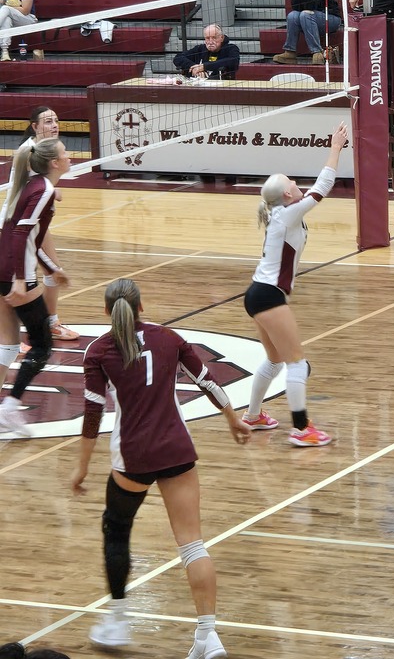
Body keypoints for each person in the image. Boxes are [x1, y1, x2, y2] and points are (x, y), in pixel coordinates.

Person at [72, 278, 250, 655]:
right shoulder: (169, 337)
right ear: (141, 307)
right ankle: (207, 635)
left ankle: (117, 620)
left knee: (116, 530)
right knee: (193, 546)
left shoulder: (99, 350)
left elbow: (91, 416)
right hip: (176, 449)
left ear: (107, 312)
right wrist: (232, 417)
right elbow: (207, 381)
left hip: (133, 457)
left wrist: (82, 468)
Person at [242, 122, 348, 446]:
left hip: (257, 293)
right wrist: (335, 148)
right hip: (268, 296)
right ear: (287, 194)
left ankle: (253, 416)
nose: (296, 183)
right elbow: (323, 187)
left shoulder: (282, 214)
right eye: (291, 182)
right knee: (296, 362)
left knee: (275, 360)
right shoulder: (286, 214)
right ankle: (302, 429)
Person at [0, 138, 71, 436]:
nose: (69, 156)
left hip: (2, 270)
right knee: (42, 346)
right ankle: (10, 408)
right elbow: (20, 234)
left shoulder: (35, 186)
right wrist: (20, 278)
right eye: (64, 152)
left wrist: (53, 269)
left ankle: (6, 408)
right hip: (15, 275)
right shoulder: (44, 190)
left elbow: (33, 241)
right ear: (54, 162)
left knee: (9, 344)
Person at [0, 107, 79, 362]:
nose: (54, 124)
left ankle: (49, 323)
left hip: (36, 220)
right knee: (34, 275)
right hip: (17, 223)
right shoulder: (27, 151)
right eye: (47, 121)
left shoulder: (52, 148)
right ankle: (20, 334)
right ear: (34, 126)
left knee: (53, 271)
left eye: (56, 120)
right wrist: (50, 192)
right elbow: (21, 189)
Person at [173, 24, 240, 79]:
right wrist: (194, 68)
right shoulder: (200, 48)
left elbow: (232, 61)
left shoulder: (231, 48)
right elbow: (178, 58)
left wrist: (204, 67)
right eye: (207, 38)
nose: (210, 42)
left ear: (222, 38)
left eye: (214, 38)